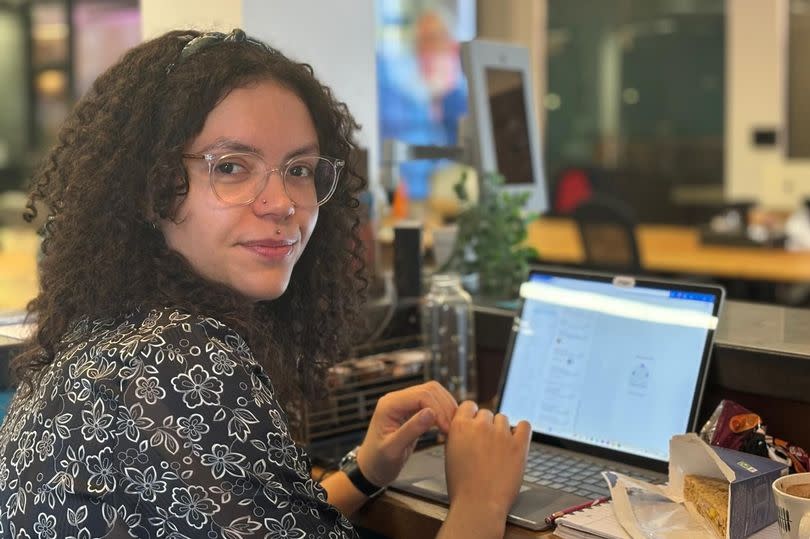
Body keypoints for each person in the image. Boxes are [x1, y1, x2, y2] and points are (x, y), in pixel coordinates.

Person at [0, 29, 531, 538]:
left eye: (299, 169)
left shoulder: (113, 329)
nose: (282, 203)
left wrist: (365, 471)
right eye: (231, 167)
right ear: (151, 186)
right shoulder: (174, 359)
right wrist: (481, 500)